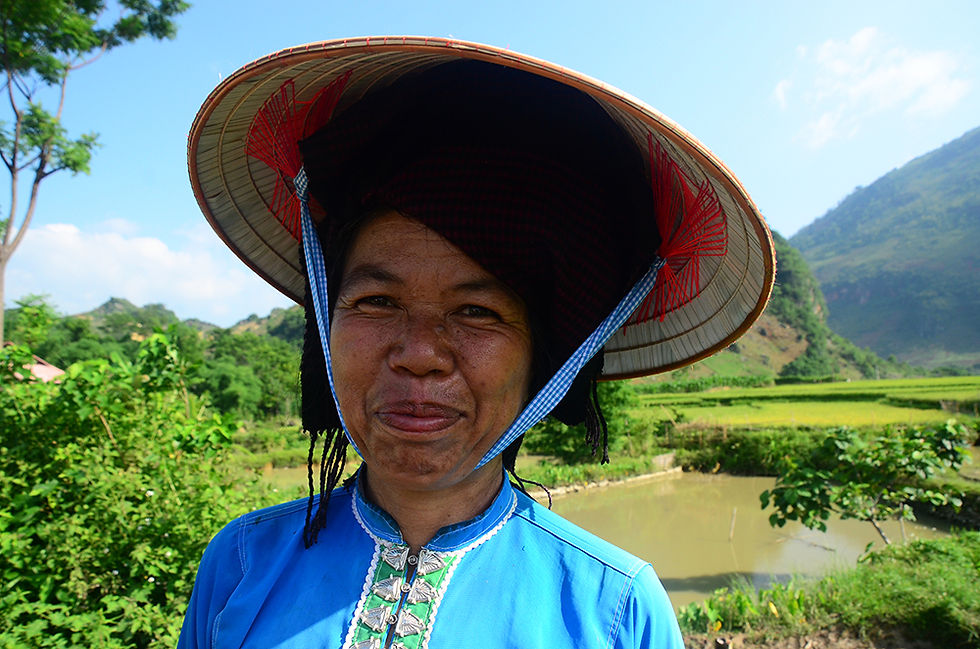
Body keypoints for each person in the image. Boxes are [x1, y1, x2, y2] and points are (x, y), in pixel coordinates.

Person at [182, 37, 775, 649]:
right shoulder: (241, 566)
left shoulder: (615, 609)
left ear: (548, 364)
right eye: (377, 302)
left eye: (476, 312)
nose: (418, 353)